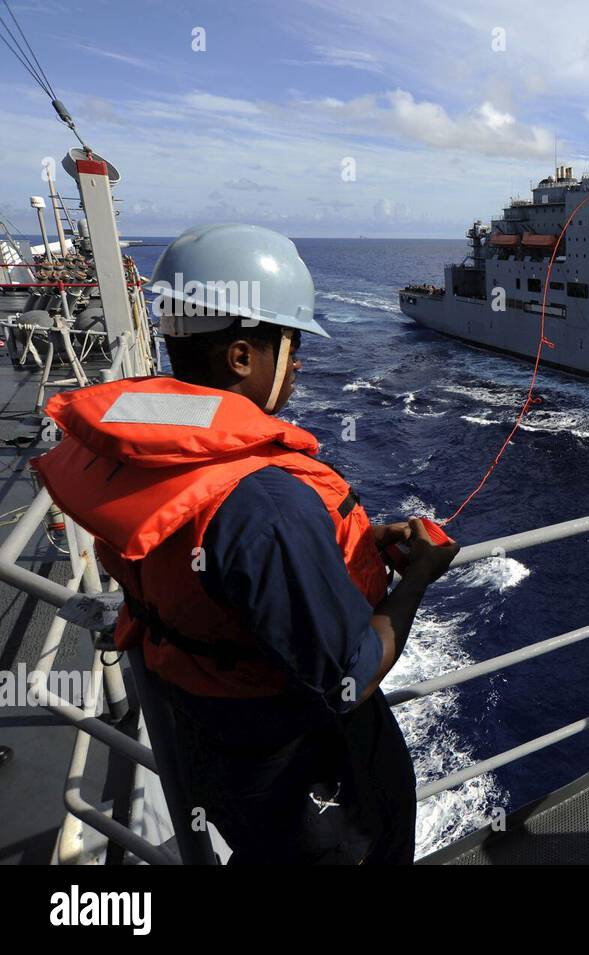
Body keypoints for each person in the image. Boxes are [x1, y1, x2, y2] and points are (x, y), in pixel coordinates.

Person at [34, 224, 457, 863]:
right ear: (240, 356)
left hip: (216, 745)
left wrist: (356, 543)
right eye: (290, 342)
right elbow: (350, 676)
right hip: (306, 782)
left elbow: (215, 574)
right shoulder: (266, 504)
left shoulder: (155, 457)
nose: (300, 361)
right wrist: (418, 577)